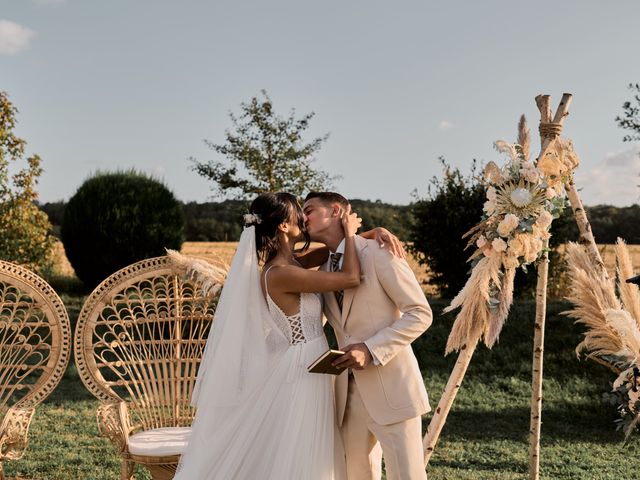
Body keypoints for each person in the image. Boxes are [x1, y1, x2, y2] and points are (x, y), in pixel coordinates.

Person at [175, 192, 398, 480]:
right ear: (283, 226)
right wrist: (352, 232)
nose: (304, 219)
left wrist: (371, 233)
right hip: (303, 369)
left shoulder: (295, 262)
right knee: (303, 449)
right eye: (298, 213)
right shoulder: (280, 273)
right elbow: (350, 277)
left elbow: (335, 249)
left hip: (311, 360)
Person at [303, 191, 432, 480]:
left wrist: (371, 349)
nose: (304, 217)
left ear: (336, 210)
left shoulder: (379, 251)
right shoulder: (324, 269)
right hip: (346, 397)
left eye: (309, 209)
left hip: (392, 388)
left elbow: (420, 313)